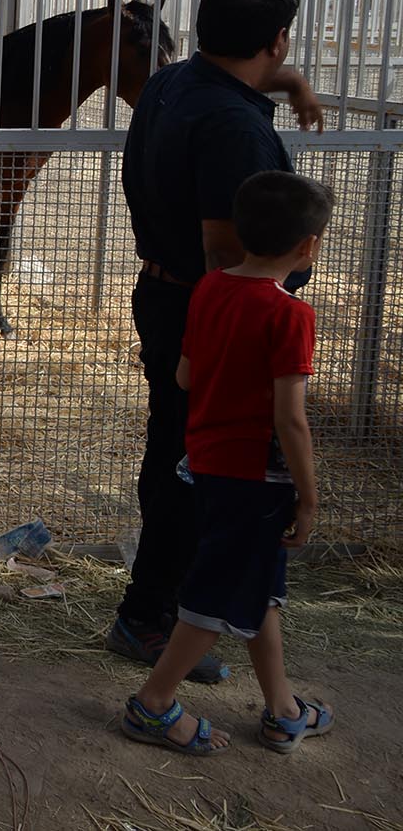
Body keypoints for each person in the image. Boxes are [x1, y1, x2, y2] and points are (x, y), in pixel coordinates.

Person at [111, 0, 321, 683]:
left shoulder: (172, 83)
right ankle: (152, 616)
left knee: (172, 453)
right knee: (197, 470)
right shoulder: (232, 125)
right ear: (276, 37)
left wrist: (290, 85)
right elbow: (226, 253)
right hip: (214, 314)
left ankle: (155, 607)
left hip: (168, 297)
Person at [121, 170, 335, 755]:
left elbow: (186, 376)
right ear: (307, 247)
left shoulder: (209, 289)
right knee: (215, 597)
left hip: (207, 462)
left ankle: (283, 709)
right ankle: (154, 704)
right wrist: (309, 498)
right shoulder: (291, 314)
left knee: (256, 588)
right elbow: (290, 419)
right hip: (256, 478)